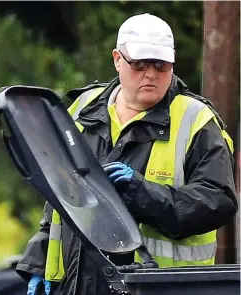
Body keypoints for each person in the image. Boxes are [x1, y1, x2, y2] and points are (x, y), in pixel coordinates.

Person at [16, 13, 238, 295]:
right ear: (117, 59)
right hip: (78, 283)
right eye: (139, 64)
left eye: (161, 64)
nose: (151, 74)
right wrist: (39, 256)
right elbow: (59, 191)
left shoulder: (196, 120)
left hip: (156, 287)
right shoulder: (83, 109)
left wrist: (145, 194)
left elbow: (219, 200)